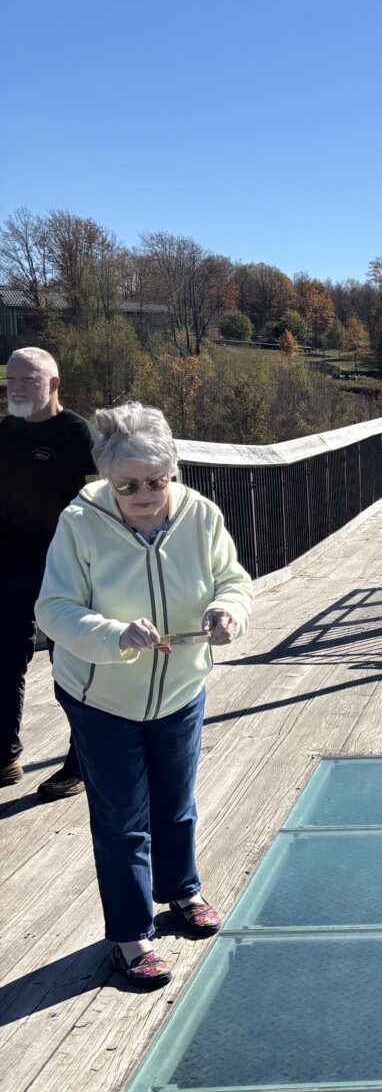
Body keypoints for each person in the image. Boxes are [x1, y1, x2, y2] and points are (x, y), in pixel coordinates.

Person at [36, 402, 254, 987]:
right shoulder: (79, 523)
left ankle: (181, 892)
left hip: (181, 687)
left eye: (156, 481)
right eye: (127, 483)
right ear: (106, 478)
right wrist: (113, 635)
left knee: (176, 802)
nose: (143, 493)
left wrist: (228, 610)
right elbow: (53, 609)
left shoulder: (201, 515)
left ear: (174, 470)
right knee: (121, 820)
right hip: (100, 696)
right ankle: (131, 935)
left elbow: (233, 579)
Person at [1, 347, 97, 800]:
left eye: (26, 380)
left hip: (65, 571)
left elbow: (107, 503)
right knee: (4, 663)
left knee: (70, 667)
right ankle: (6, 754)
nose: (14, 387)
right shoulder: (7, 430)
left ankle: (81, 762)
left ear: (54, 384)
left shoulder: (79, 434)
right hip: (9, 568)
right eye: (10, 380)